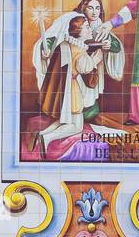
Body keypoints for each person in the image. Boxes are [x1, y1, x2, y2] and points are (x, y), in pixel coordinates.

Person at [31, 14, 102, 156]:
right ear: (78, 31)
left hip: (62, 89)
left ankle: (41, 134)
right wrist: (94, 61)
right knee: (76, 125)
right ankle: (47, 138)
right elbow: (84, 68)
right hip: (72, 90)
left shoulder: (65, 45)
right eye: (86, 27)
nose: (90, 29)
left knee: (63, 120)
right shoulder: (79, 49)